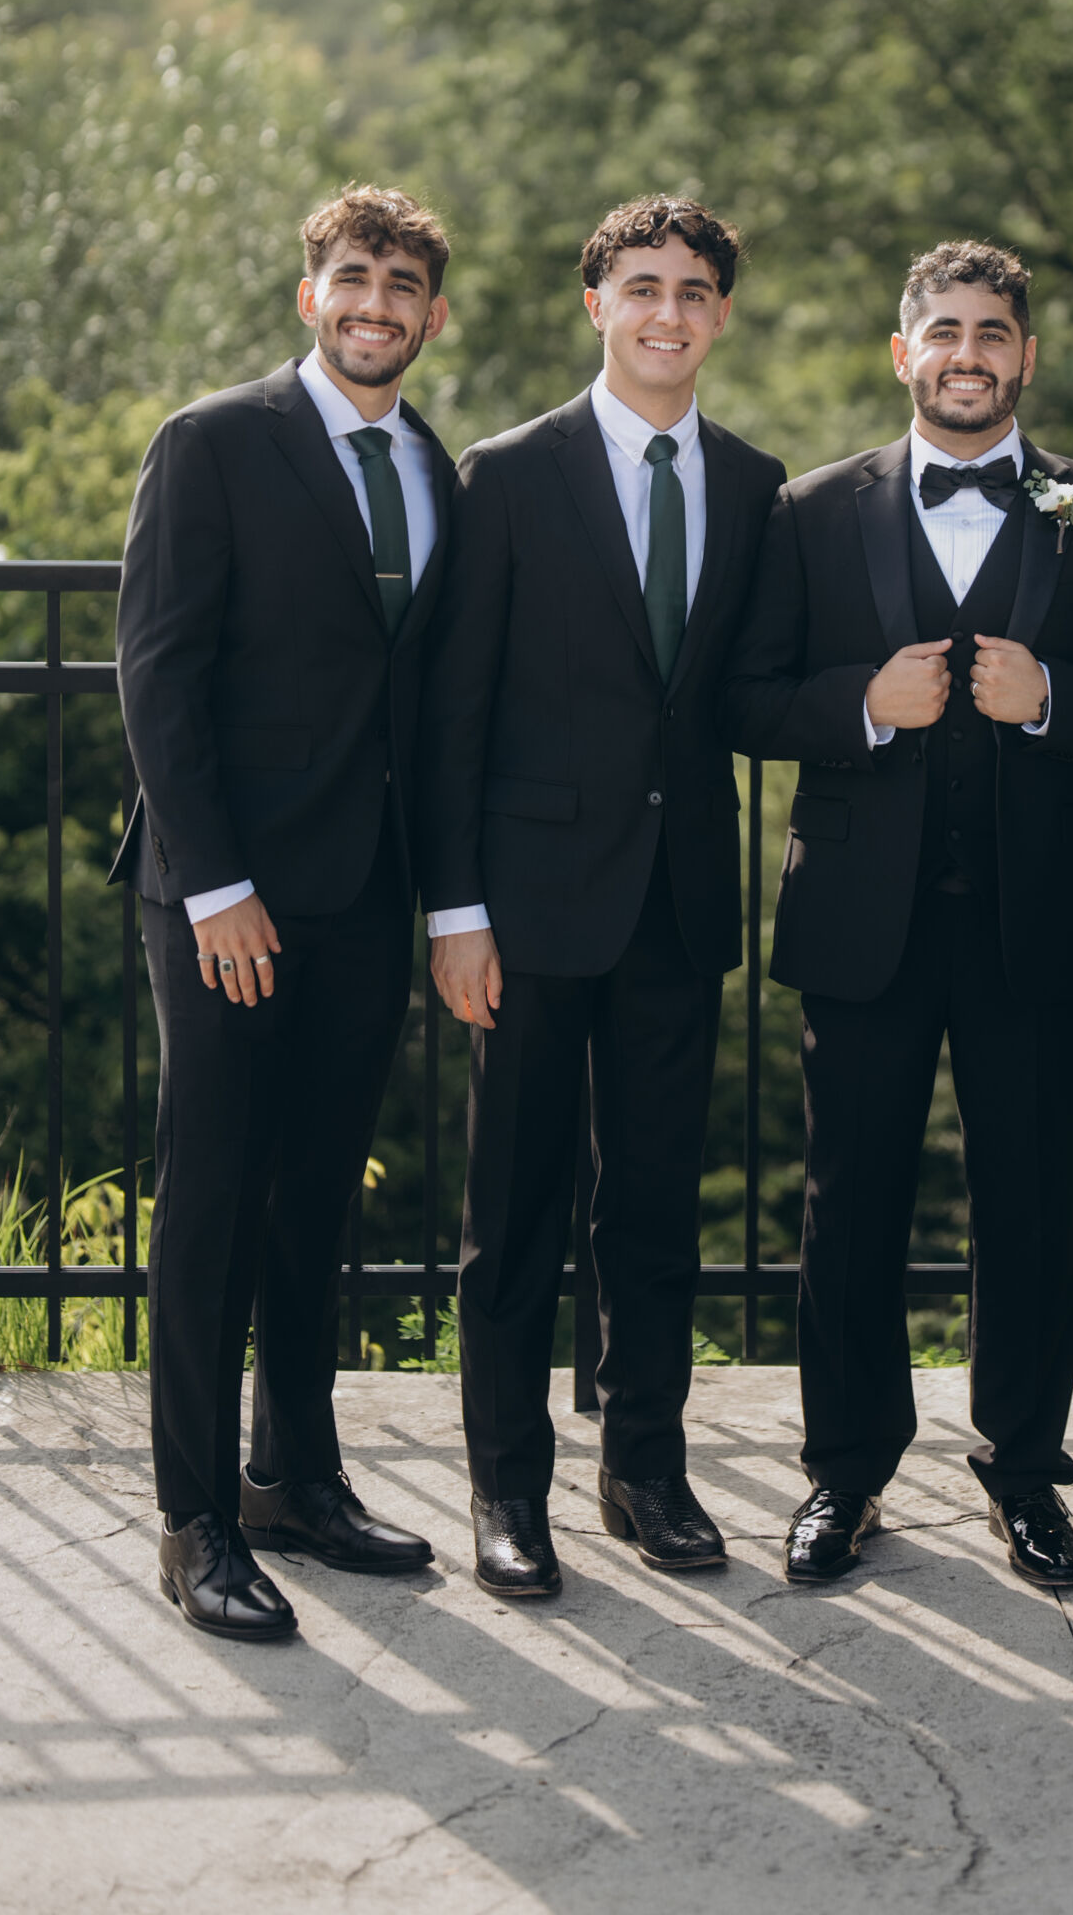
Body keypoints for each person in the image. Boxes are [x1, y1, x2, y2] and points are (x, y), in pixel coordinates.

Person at [724, 240, 1073, 1591]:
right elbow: (745, 698)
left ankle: (1026, 1476)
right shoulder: (808, 511)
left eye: (992, 333)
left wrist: (1054, 702)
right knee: (848, 1201)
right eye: (944, 332)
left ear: (1025, 356)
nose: (967, 354)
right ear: (903, 352)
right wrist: (863, 705)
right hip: (862, 919)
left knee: (1028, 1204)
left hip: (1034, 918)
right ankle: (845, 1473)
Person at [420, 195, 785, 1598]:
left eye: (692, 292)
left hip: (677, 906)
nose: (666, 313)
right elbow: (454, 711)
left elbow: (743, 692)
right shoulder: (510, 475)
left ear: (721, 316)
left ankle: (645, 1471)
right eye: (642, 288)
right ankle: (508, 1492)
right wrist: (456, 910)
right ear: (598, 306)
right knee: (513, 1216)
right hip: (525, 910)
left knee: (652, 1212)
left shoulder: (754, 484)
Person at [113, 185, 455, 1640]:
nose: (377, 305)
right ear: (311, 295)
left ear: (433, 316)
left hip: (368, 893)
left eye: (404, 287)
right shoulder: (212, 441)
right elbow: (158, 674)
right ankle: (193, 1519)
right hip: (229, 899)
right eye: (355, 278)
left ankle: (293, 1479)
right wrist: (218, 887)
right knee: (212, 1201)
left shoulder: (434, 466)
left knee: (316, 1197)